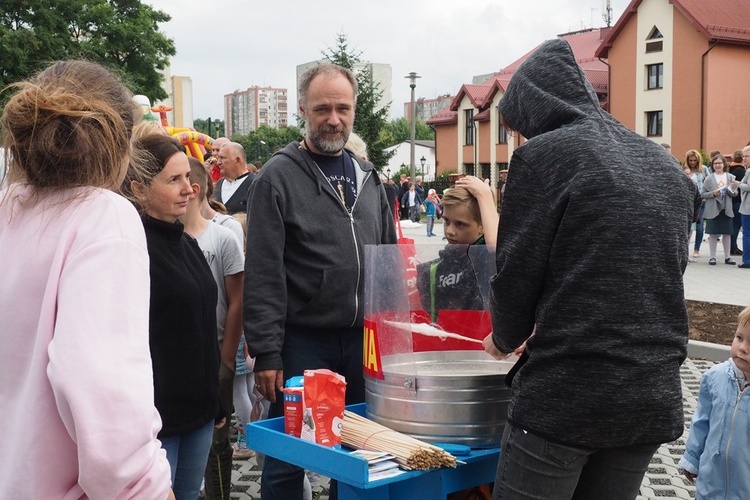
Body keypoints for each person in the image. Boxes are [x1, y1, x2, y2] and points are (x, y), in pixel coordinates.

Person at [482, 39, 697, 500]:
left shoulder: (545, 157)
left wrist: (502, 337)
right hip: (649, 394)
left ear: (533, 110)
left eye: (519, 126)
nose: (521, 137)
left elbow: (517, 275)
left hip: (567, 397)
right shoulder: (662, 161)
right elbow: (666, 271)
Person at [0, 60, 173, 499]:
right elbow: (102, 394)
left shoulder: (7, 207)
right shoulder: (103, 216)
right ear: (121, 144)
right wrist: (150, 489)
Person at [244, 63, 396, 500]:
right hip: (303, 343)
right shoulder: (277, 177)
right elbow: (264, 271)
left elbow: (387, 259)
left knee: (359, 453)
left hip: (362, 341)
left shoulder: (368, 176)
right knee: (292, 456)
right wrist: (268, 352)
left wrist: (392, 333)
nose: (334, 119)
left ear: (354, 110)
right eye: (323, 108)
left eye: (343, 108)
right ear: (303, 111)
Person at [122, 134, 224, 500]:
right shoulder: (131, 248)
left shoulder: (185, 242)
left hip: (198, 411)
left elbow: (201, 325)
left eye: (189, 177)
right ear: (139, 188)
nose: (191, 188)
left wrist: (215, 396)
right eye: (174, 180)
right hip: (159, 420)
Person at [180, 157, 245, 499]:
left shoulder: (223, 237)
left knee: (218, 442)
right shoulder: (162, 240)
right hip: (178, 360)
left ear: (194, 189)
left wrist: (228, 357)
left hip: (217, 354)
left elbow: (237, 300)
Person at [678, 305, 750, 498]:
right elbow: (702, 421)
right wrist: (692, 458)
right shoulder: (714, 377)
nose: (743, 348)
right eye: (739, 338)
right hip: (711, 484)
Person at [416, 177, 498, 320]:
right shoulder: (430, 272)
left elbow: (500, 247)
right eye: (446, 221)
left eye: (460, 224)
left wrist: (484, 197)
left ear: (483, 226)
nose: (450, 231)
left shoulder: (492, 263)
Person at [701, 153, 739, 265]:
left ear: (724, 164)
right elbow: (703, 193)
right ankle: (712, 257)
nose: (717, 165)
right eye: (715, 163)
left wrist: (730, 191)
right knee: (712, 233)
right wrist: (713, 193)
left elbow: (735, 193)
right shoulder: (709, 178)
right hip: (713, 208)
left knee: (727, 233)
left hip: (726, 208)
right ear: (712, 165)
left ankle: (728, 257)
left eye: (719, 163)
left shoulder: (730, 177)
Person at [214, 141, 256, 214]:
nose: (218, 162)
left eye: (222, 158)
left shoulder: (255, 184)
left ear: (237, 160)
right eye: (218, 158)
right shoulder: (218, 185)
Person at [685, 149, 708, 258]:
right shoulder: (684, 170)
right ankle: (686, 249)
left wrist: (706, 195)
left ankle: (697, 249)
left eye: (695, 160)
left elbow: (709, 182)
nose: (693, 162)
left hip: (701, 201)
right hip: (689, 201)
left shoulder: (703, 169)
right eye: (690, 160)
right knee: (688, 226)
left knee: (699, 226)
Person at [729, 150, 746, 255]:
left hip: (732, 200)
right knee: (736, 225)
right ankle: (733, 247)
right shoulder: (741, 171)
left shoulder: (731, 169)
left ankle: (732, 246)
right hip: (739, 201)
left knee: (734, 224)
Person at [738, 146, 750, 269]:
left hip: (748, 207)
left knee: (747, 234)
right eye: (743, 156)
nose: (744, 158)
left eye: (747, 156)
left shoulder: (749, 171)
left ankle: (747, 260)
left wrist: (738, 184)